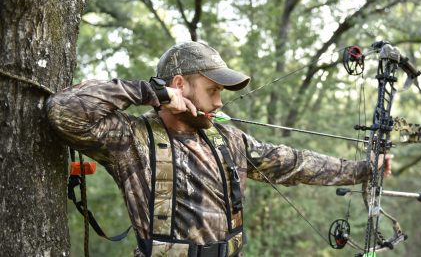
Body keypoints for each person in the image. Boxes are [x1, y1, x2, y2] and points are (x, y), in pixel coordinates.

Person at [46, 41, 391, 257]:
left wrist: (365, 169)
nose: (219, 102)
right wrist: (152, 93)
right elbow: (62, 110)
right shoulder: (132, 140)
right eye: (212, 90)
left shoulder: (228, 140)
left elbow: (295, 163)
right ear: (180, 85)